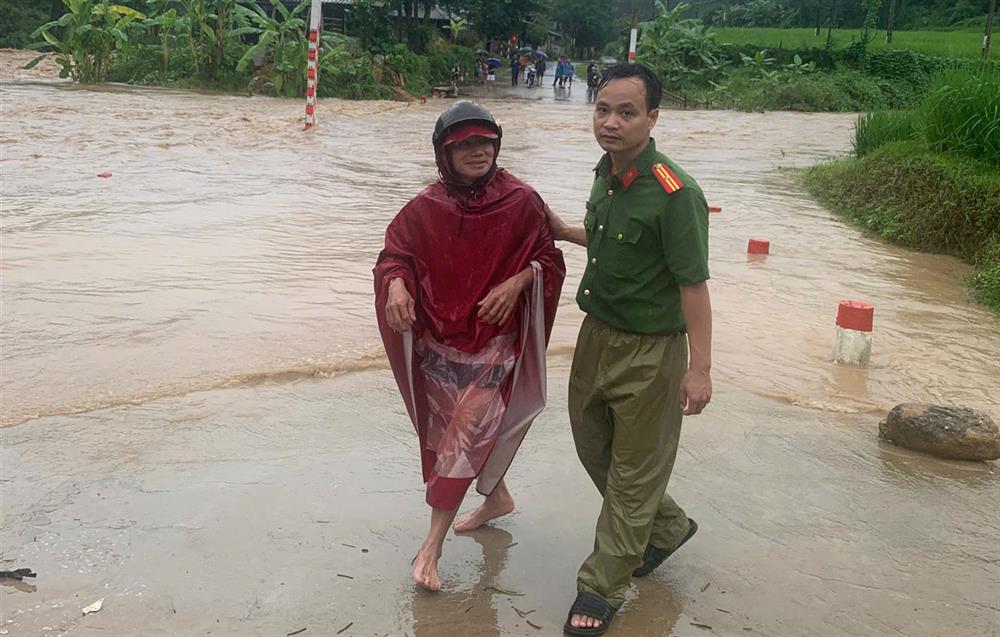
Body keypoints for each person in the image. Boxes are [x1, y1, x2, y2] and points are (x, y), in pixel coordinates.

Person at [544, 63, 712, 635]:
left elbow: (692, 285)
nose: (610, 123)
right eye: (602, 110)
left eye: (626, 112)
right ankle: (664, 528)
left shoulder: (676, 193)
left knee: (633, 475)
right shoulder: (606, 173)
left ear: (653, 118)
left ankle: (601, 586)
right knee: (594, 445)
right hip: (596, 338)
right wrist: (565, 230)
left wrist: (700, 369)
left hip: (652, 353)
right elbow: (616, 241)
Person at [374, 101, 566, 592]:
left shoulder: (522, 200)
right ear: (445, 153)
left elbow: (550, 255)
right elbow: (394, 253)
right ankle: (497, 498)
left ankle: (430, 549)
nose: (479, 151)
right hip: (440, 346)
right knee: (449, 441)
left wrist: (521, 281)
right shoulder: (426, 206)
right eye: (466, 145)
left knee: (462, 440)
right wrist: (396, 286)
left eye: (485, 142)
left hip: (495, 346)